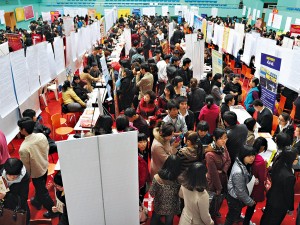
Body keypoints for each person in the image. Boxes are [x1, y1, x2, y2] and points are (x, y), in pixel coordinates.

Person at [17, 117, 56, 218]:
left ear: (24, 130)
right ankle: (37, 202)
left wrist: (28, 177)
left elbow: (26, 167)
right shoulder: (41, 136)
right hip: (44, 165)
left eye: (19, 128)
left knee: (43, 192)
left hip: (36, 172)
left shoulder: (24, 148)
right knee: (41, 188)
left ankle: (53, 211)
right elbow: (47, 148)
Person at [260, 148, 298, 225]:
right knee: (274, 221)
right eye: (296, 158)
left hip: (271, 197)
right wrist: (291, 208)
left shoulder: (278, 164)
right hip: (280, 204)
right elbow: (289, 194)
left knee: (266, 217)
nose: (297, 160)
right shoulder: (289, 176)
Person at [225, 146, 257, 225]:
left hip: (237, 196)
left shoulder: (242, 162)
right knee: (231, 216)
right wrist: (250, 201)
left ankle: (237, 217)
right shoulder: (238, 172)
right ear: (243, 155)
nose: (252, 158)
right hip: (235, 197)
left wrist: (253, 180)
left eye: (253, 155)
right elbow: (240, 192)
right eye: (249, 156)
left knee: (236, 212)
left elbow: (246, 175)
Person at [205, 128, 231, 220]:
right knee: (211, 200)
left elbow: (228, 160)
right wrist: (219, 187)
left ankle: (215, 212)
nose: (224, 140)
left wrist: (223, 170)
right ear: (214, 138)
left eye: (225, 138)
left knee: (220, 199)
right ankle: (209, 216)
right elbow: (213, 173)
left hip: (223, 177)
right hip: (213, 182)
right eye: (221, 138)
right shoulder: (209, 154)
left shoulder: (224, 147)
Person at [149, 155, 182, 225]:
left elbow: (152, 193)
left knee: (155, 219)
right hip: (172, 206)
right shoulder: (179, 180)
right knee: (169, 222)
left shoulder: (157, 177)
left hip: (159, 204)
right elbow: (181, 195)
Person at [244, 137, 268, 225]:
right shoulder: (260, 161)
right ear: (262, 147)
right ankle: (246, 222)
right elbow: (262, 178)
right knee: (251, 206)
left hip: (244, 183)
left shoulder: (247, 153)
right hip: (254, 187)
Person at [0, 158, 30, 225]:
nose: (12, 177)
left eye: (15, 175)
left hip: (17, 208)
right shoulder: (1, 174)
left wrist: (6, 195)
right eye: (10, 175)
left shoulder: (24, 178)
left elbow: (23, 198)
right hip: (4, 208)